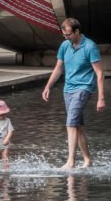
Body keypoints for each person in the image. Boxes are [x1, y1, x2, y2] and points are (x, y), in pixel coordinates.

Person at [42, 17, 105, 169]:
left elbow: (100, 73)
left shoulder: (90, 47)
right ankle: (87, 160)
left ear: (77, 31)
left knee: (70, 123)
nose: (66, 37)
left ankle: (71, 161)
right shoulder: (65, 45)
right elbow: (58, 68)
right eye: (64, 35)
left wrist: (101, 98)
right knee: (77, 126)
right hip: (68, 89)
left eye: (69, 34)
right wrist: (48, 86)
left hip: (84, 88)